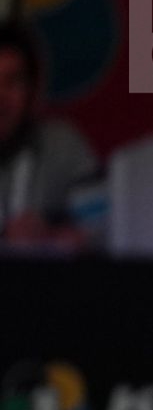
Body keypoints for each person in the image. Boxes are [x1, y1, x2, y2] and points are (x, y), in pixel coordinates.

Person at [0, 21, 101, 249]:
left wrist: (52, 235)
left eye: (12, 81)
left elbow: (103, 222)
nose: (1, 96)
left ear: (32, 90)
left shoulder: (62, 145)